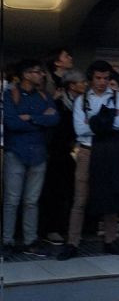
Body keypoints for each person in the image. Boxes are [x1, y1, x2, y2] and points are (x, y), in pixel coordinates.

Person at [58, 60, 119, 260]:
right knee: (80, 198)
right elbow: (79, 130)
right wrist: (105, 120)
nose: (102, 82)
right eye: (98, 78)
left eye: (106, 78)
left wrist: (93, 120)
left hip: (108, 151)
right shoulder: (81, 100)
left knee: (110, 196)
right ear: (91, 79)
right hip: (87, 151)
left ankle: (110, 240)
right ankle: (72, 242)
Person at [2, 59, 60, 257]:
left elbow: (55, 119)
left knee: (31, 200)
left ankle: (29, 240)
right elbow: (11, 123)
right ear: (26, 74)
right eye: (37, 72)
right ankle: (7, 240)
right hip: (16, 151)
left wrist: (31, 117)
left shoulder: (44, 95)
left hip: (37, 152)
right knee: (12, 199)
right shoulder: (11, 94)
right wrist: (41, 119)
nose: (42, 75)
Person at [40, 70, 86, 246]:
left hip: (76, 152)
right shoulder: (59, 103)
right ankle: (52, 228)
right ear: (71, 85)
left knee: (73, 192)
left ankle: (69, 227)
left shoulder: (83, 103)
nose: (85, 85)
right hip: (59, 153)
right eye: (81, 82)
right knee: (55, 192)